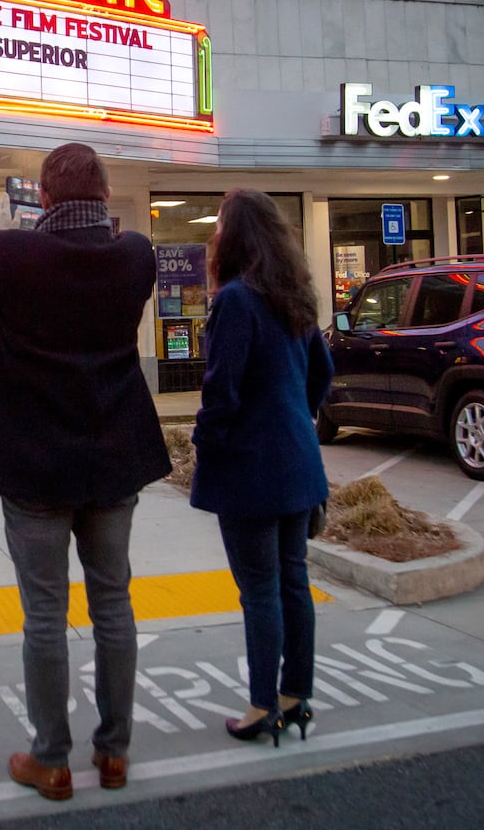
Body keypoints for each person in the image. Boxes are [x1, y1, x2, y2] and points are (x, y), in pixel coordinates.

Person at [0, 142, 171, 801]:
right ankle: (114, 754)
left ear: (43, 194)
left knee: (44, 613)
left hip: (34, 464)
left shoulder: (14, 255)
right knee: (113, 605)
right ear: (101, 191)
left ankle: (52, 760)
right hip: (114, 457)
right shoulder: (135, 256)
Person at [189, 189, 333, 748]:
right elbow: (322, 373)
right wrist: (293, 417)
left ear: (235, 237)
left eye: (221, 225)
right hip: (299, 464)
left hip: (250, 470)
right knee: (293, 582)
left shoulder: (235, 302)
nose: (215, 235)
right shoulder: (294, 297)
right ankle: (296, 697)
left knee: (260, 591)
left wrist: (207, 444)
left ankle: (261, 706)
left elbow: (220, 392)